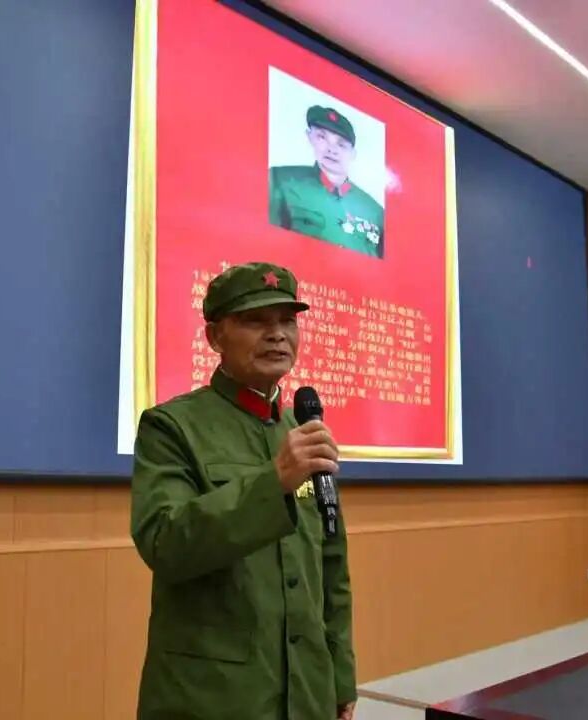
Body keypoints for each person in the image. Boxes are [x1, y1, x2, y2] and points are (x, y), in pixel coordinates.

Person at [131, 262, 357, 720]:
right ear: (215, 337)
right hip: (214, 698)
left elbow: (331, 562)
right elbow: (164, 542)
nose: (277, 335)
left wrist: (339, 677)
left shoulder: (302, 430)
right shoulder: (172, 427)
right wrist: (273, 482)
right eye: (255, 320)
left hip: (307, 693)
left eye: (287, 321)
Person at [269, 105, 385, 259]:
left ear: (353, 154)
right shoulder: (280, 180)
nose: (332, 150)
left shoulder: (375, 211)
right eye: (322, 137)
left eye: (341, 144)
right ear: (309, 137)